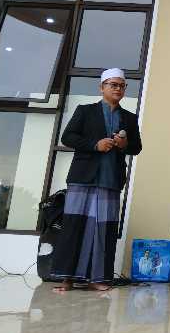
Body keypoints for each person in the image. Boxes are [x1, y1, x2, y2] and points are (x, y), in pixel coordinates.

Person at [52, 68, 142, 292]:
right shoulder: (85, 111)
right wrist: (95, 144)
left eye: (121, 86)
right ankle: (67, 279)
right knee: (75, 226)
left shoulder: (129, 118)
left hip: (110, 179)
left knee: (104, 230)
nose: (118, 89)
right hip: (82, 178)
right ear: (102, 87)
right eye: (113, 84)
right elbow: (68, 137)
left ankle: (97, 279)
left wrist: (124, 145)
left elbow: (137, 147)